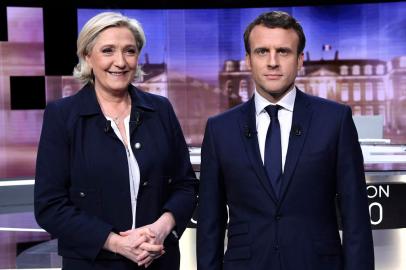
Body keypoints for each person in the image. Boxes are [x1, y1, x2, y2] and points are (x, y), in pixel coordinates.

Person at [197, 11, 374, 270]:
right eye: (261, 51)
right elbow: (209, 224)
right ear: (248, 60)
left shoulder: (335, 120)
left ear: (300, 59)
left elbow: (356, 216)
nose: (272, 62)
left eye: (283, 51)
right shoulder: (219, 129)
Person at [34, 12, 198, 270]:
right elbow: (50, 206)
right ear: (88, 56)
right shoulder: (62, 116)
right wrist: (115, 242)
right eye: (108, 50)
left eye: (129, 51)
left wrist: (160, 228)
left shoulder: (160, 109)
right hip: (94, 263)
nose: (120, 62)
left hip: (158, 259)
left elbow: (186, 185)